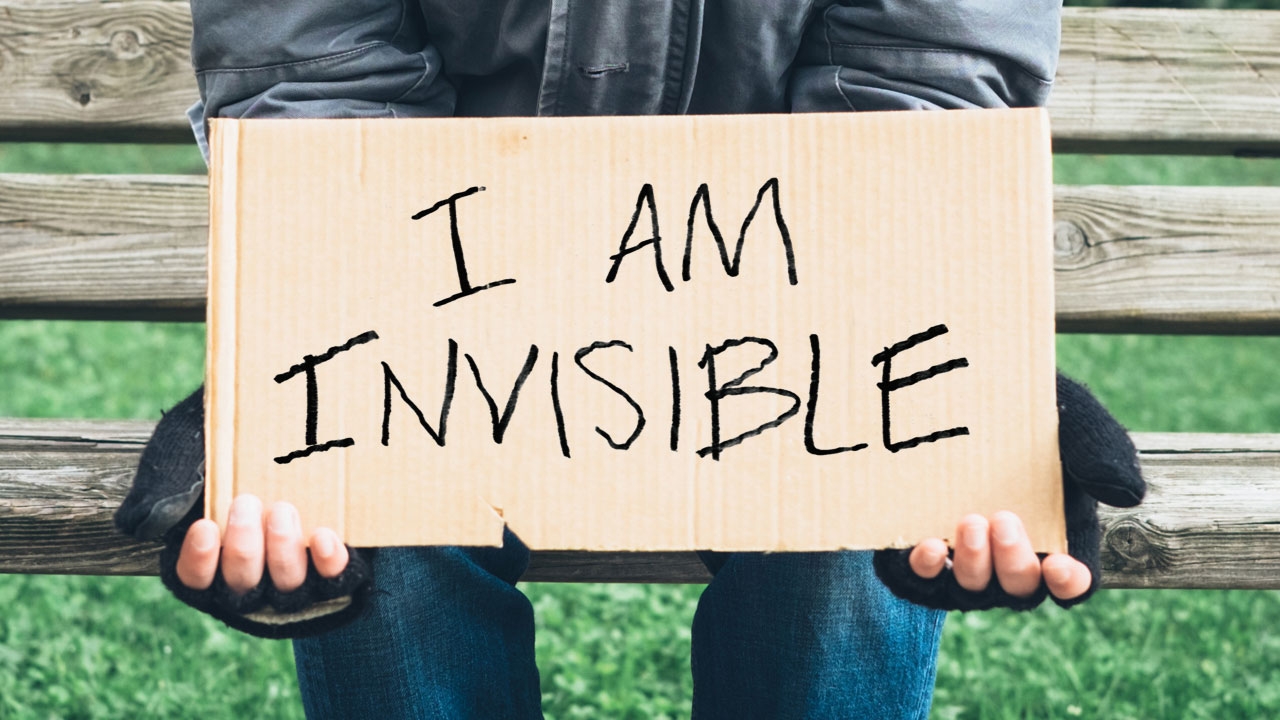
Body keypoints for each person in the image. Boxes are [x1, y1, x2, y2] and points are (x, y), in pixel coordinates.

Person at [116, 2, 1146, 717]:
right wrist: (296, 375)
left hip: (793, 315)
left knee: (864, 505)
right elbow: (315, 94)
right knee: (356, 503)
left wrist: (951, 379)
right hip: (435, 311)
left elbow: (919, 96)